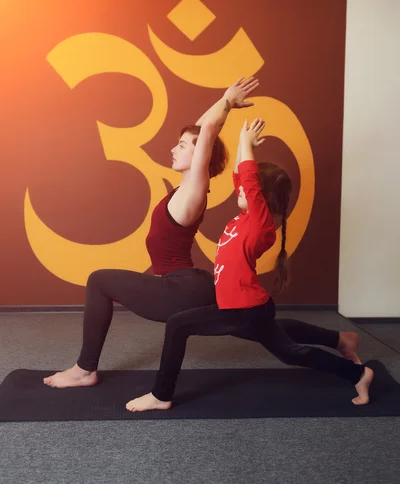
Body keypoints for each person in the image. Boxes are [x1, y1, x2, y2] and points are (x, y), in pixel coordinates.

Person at [44, 78, 360, 390]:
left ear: (198, 157)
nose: (173, 148)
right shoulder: (186, 189)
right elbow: (202, 129)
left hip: (180, 289)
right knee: (259, 328)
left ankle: (85, 369)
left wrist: (226, 100)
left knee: (100, 280)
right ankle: (340, 339)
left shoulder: (195, 190)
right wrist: (217, 112)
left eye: (181, 145)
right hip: (193, 285)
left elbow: (206, 132)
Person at [126, 118, 374, 413]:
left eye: (249, 188)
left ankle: (161, 394)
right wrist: (244, 148)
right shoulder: (241, 219)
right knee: (288, 348)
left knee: (182, 326)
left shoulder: (260, 226)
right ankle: (351, 358)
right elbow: (240, 178)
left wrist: (245, 143)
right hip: (241, 305)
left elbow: (248, 180)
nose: (241, 189)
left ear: (263, 198)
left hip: (244, 309)